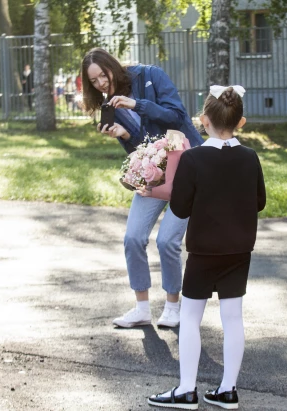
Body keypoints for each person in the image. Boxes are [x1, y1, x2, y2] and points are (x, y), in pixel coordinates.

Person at [147, 85, 266, 410]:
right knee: (233, 318)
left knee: (190, 316)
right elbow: (260, 201)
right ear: (241, 122)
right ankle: (228, 389)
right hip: (238, 250)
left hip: (203, 251)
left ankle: (187, 389)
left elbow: (181, 209)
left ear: (203, 120)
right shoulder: (250, 157)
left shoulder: (194, 158)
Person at [80, 48, 204, 329]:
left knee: (166, 241)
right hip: (153, 174)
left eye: (103, 74)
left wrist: (135, 105)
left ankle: (173, 306)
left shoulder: (151, 76)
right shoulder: (109, 106)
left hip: (185, 169)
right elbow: (141, 148)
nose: (100, 83)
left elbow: (176, 116)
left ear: (113, 66)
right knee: (133, 238)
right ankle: (141, 308)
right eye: (94, 81)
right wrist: (124, 135)